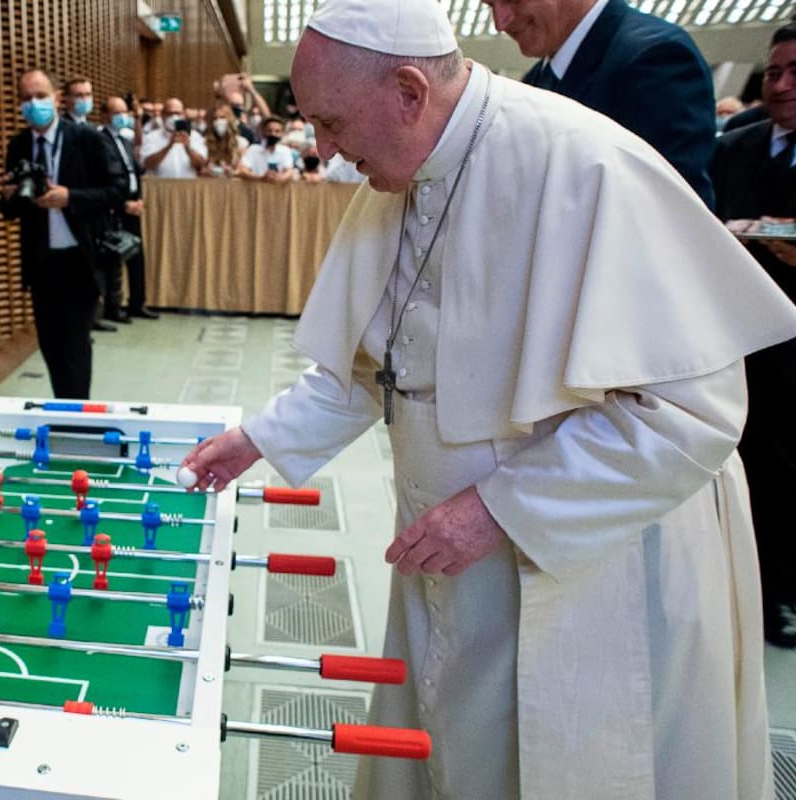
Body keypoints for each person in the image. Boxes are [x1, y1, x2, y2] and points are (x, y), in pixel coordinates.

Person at [180, 0, 792, 796]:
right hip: (449, 553)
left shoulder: (583, 164)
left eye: (332, 124)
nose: (326, 153)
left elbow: (688, 414)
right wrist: (258, 439)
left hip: (588, 558)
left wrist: (498, 508)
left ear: (408, 91)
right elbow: (379, 362)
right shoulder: (405, 165)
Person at [710, 22, 796, 648]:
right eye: (774, 72)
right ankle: (741, 590)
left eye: (795, 73)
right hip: (737, 340)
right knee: (738, 463)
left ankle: (783, 592)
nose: (783, 85)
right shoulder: (737, 146)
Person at [485, 0, 717, 206]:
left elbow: (672, 210)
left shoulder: (656, 58)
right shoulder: (539, 77)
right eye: (489, 5)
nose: (500, 22)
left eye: (512, 0)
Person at [0, 70, 127, 399]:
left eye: (40, 95)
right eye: (26, 98)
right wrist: (10, 196)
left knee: (75, 343)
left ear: (57, 98)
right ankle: (62, 405)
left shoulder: (85, 139)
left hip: (80, 259)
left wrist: (70, 197)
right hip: (42, 262)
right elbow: (10, 212)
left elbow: (118, 190)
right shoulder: (19, 145)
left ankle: (76, 413)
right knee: (50, 343)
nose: (33, 104)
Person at [98, 95, 157, 322]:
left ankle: (137, 303)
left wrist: (139, 200)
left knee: (136, 255)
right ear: (104, 115)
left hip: (134, 202)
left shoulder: (125, 140)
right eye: (116, 113)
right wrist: (123, 204)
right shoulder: (100, 140)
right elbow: (104, 177)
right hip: (116, 206)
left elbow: (136, 171)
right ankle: (113, 307)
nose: (121, 117)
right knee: (114, 257)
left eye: (124, 113)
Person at [141, 97, 207, 178]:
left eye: (177, 113)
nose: (174, 117)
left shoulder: (195, 136)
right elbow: (147, 164)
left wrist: (188, 149)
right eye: (170, 113)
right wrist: (168, 146)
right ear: (163, 115)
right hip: (159, 187)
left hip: (187, 187)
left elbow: (201, 164)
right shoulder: (151, 137)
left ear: (183, 115)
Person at [237, 116, 296, 182]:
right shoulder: (253, 149)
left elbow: (289, 172)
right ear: (263, 131)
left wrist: (280, 178)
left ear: (282, 133)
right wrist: (261, 178)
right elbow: (243, 171)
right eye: (269, 130)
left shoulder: (285, 151)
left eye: (277, 131)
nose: (273, 134)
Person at [203, 102, 245, 176]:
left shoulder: (241, 143)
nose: (218, 121)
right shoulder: (205, 143)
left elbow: (244, 171)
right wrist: (207, 171)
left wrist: (232, 172)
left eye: (222, 117)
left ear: (229, 120)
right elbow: (201, 171)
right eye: (215, 118)